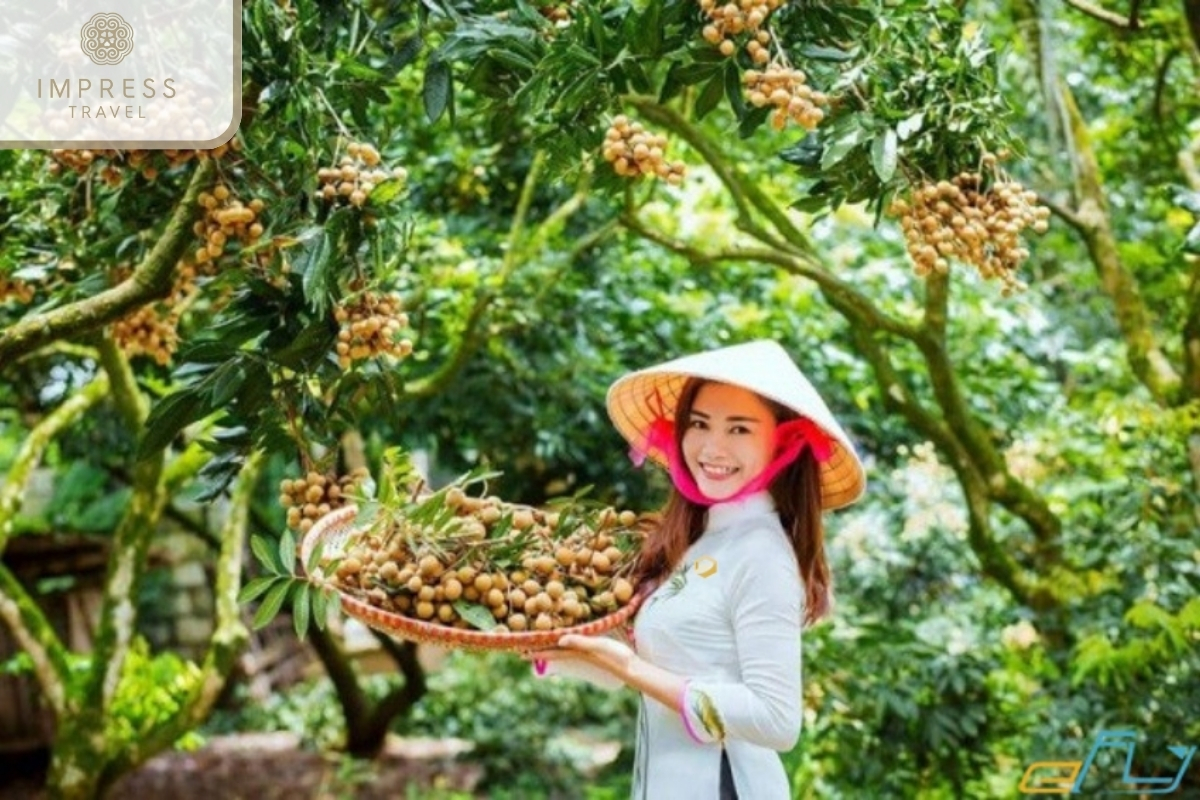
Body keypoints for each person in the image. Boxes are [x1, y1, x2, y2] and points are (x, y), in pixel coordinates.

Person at [521, 339, 867, 800]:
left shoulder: (761, 554)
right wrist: (544, 644)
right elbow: (654, 664)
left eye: (739, 430)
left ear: (782, 444)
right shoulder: (700, 541)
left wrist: (631, 668)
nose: (712, 447)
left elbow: (777, 719)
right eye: (700, 424)